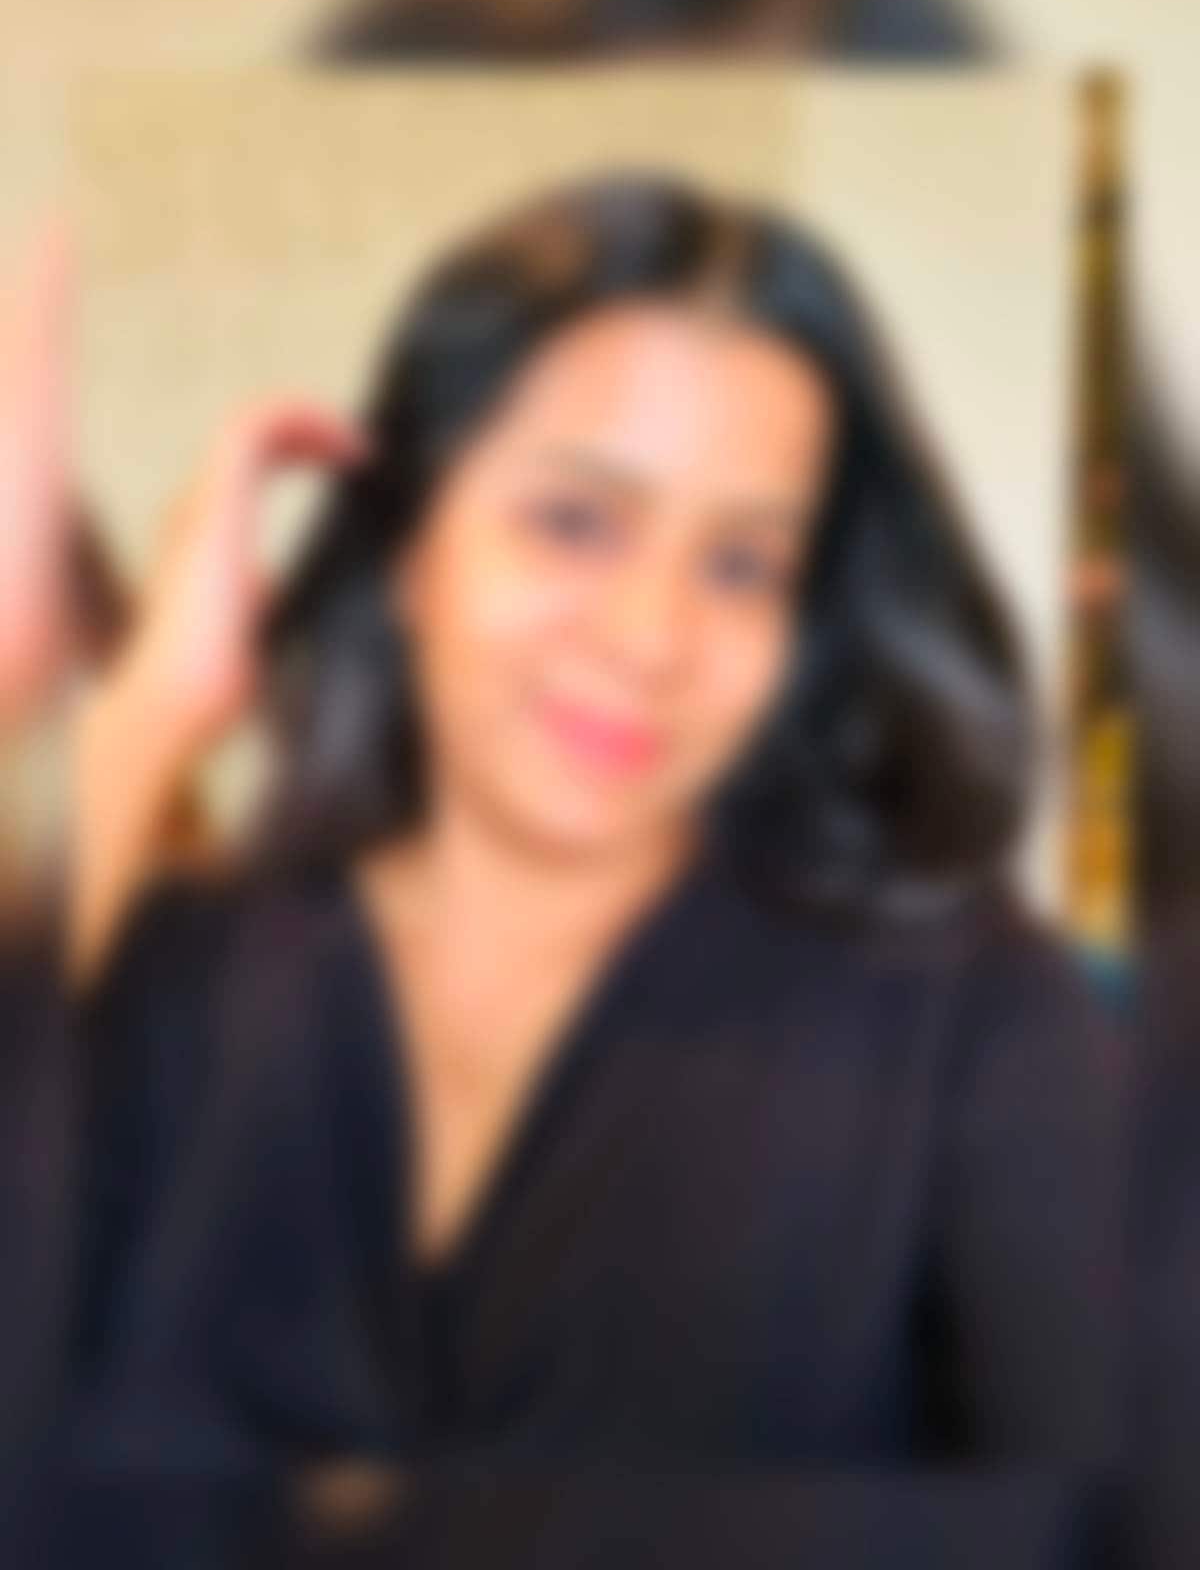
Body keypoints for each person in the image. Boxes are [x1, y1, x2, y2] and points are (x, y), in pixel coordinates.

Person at [65, 174, 1126, 1566]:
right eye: (575, 521)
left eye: (741, 565)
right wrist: (139, 731)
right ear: (408, 548)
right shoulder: (177, 971)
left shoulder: (969, 1014)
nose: (650, 636)